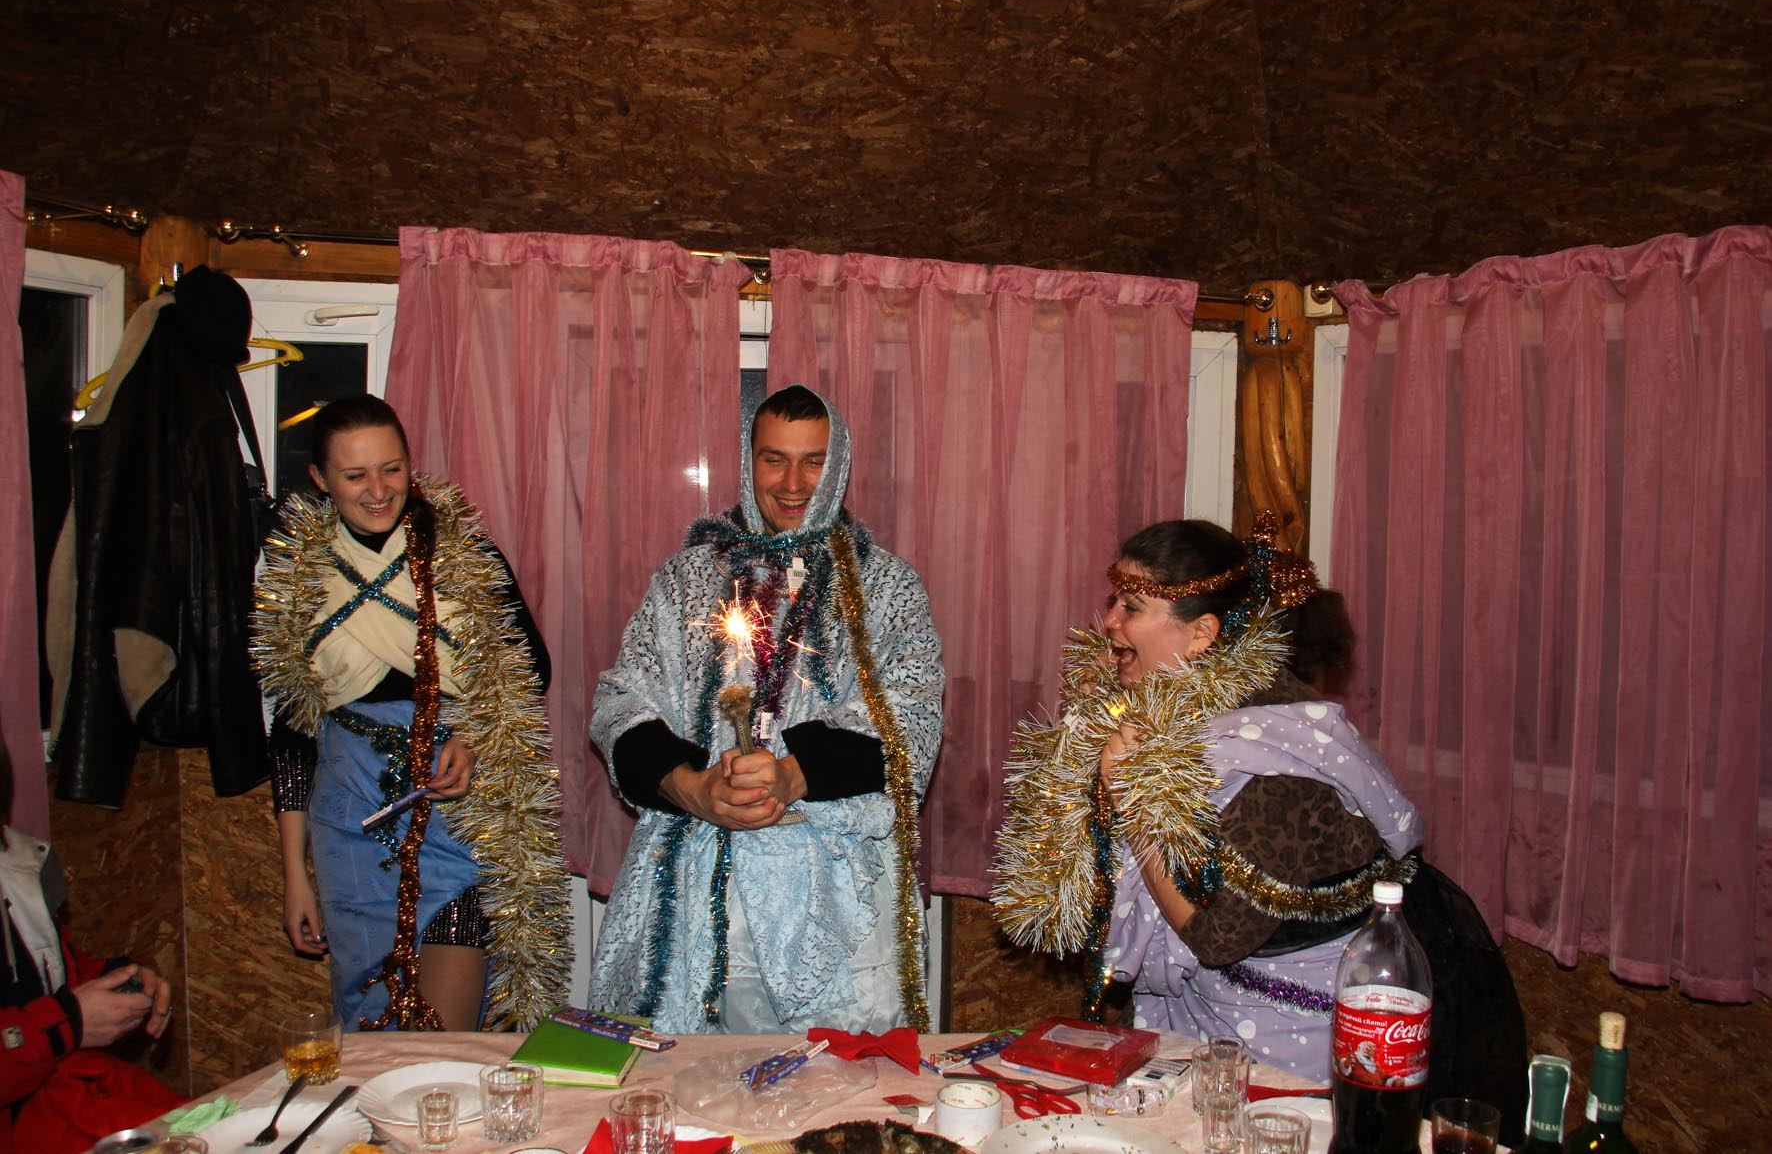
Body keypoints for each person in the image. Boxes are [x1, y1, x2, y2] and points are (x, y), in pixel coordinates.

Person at [993, 514, 1525, 1135]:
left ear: (1202, 634)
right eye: (1113, 601)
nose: (1108, 620)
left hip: (1292, 1062)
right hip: (1203, 1029)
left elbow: (1216, 939)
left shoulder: (1274, 767)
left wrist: (1130, 803)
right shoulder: (1166, 714)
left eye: (1131, 607)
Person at [588, 384, 944, 1033]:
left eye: (813, 461)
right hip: (692, 890)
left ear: (838, 465)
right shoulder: (686, 580)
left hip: (835, 903)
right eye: (774, 459)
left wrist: (792, 775)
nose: (793, 483)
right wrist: (693, 787)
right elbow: (622, 701)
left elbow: (911, 723)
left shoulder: (887, 588)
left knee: (833, 1085)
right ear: (748, 461)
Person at [252, 395, 570, 1032]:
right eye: (355, 475)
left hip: (461, 808)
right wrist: (295, 875)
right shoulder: (297, 575)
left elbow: (529, 664)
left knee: (444, 1036)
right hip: (350, 813)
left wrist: (473, 736)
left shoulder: (461, 553)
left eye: (392, 469)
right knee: (373, 1023)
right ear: (319, 478)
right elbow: (291, 731)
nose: (378, 491)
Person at [0, 733, 182, 1152]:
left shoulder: (18, 864)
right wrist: (69, 1022)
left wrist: (121, 983)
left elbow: (51, 981)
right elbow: (56, 1016)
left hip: (56, 1101)